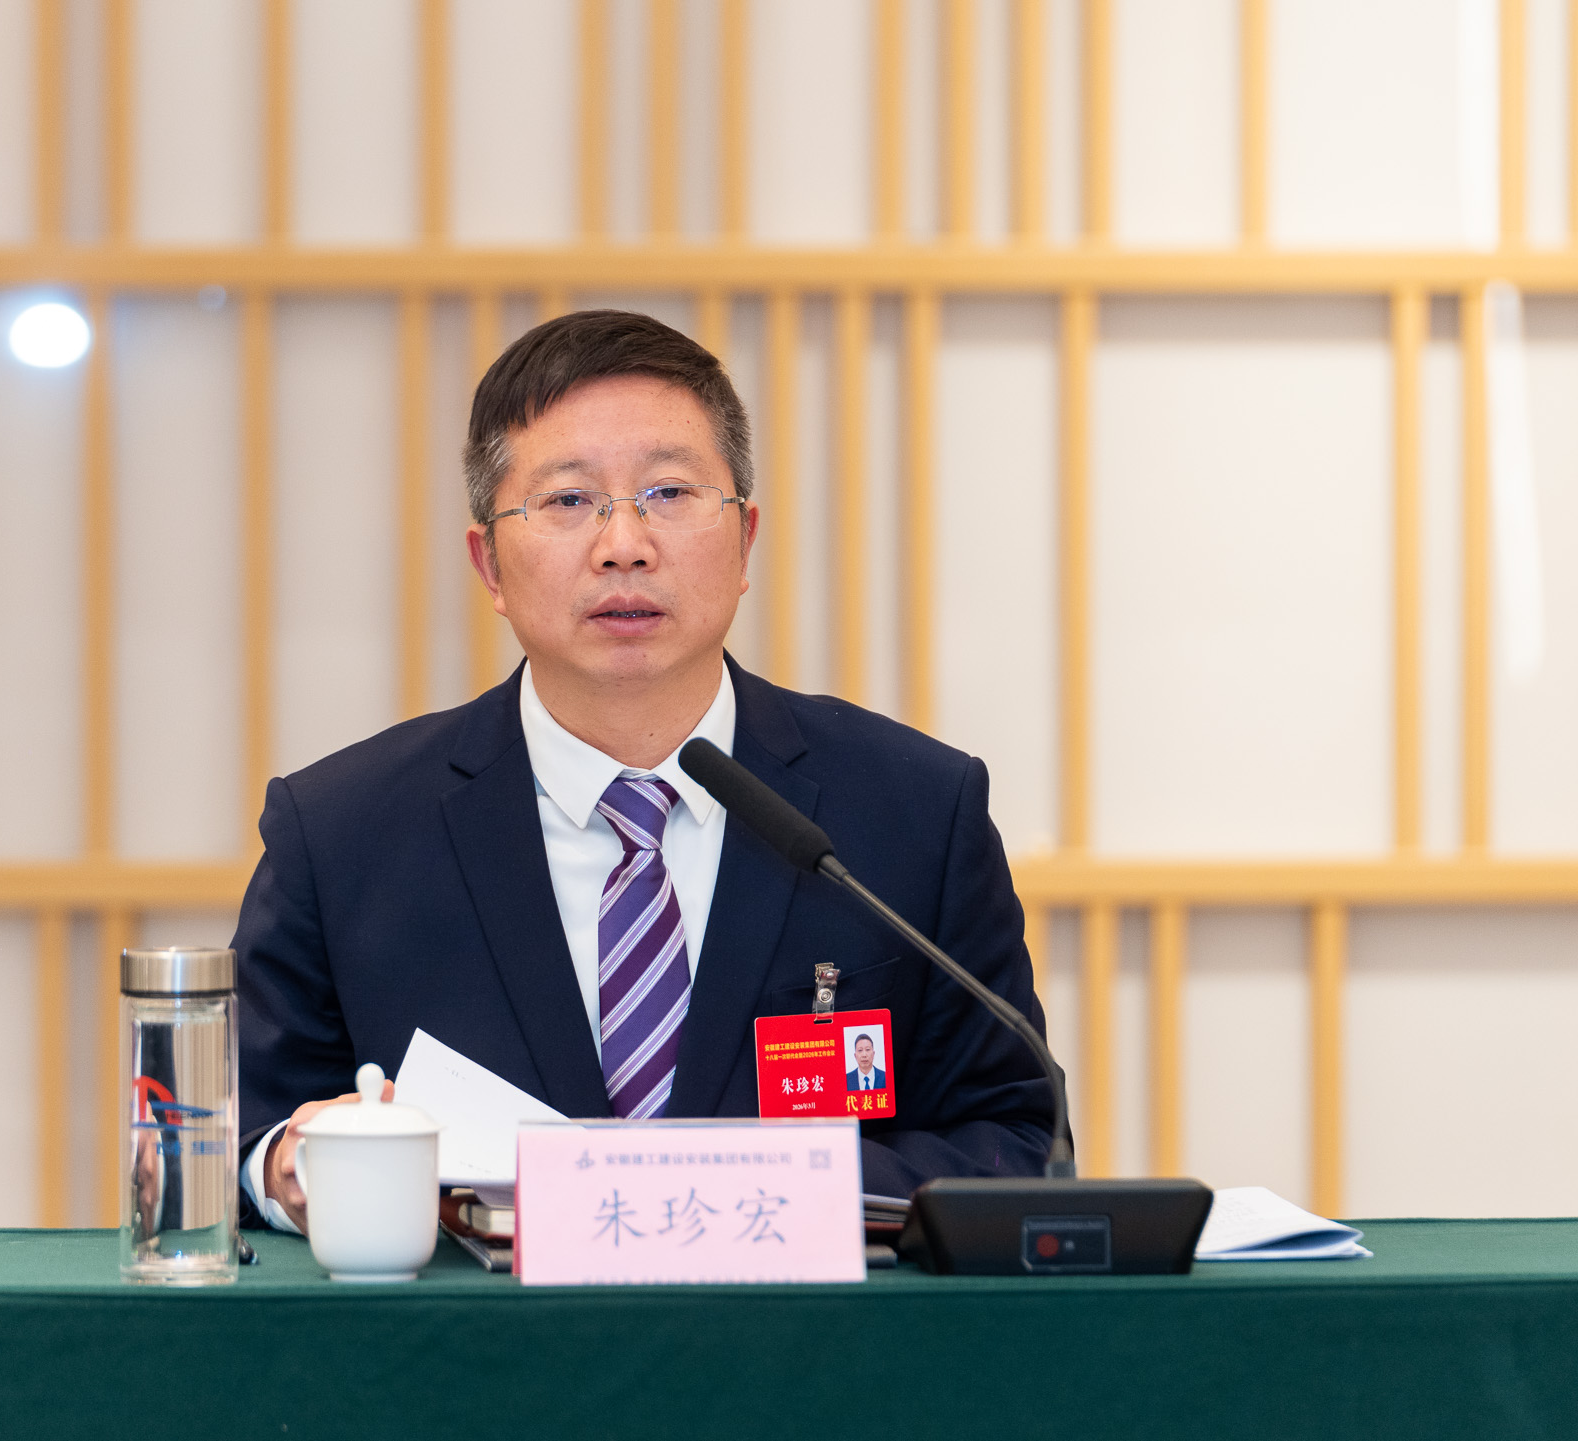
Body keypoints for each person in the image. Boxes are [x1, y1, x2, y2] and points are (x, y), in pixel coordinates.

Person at [235, 309, 1067, 1234]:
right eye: (567, 500)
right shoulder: (339, 834)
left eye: (669, 492)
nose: (624, 544)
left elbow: (1016, 1136)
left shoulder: (916, 812)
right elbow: (243, 1137)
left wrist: (731, 1189)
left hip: (804, 1323)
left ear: (745, 541)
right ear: (489, 565)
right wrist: (288, 1165)